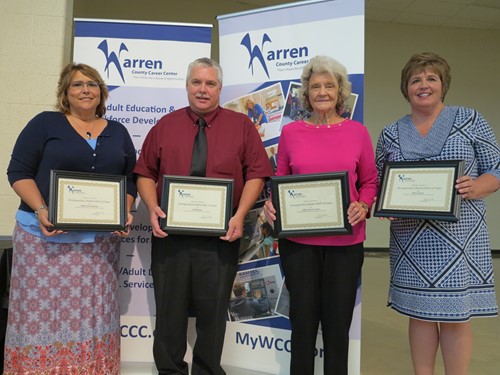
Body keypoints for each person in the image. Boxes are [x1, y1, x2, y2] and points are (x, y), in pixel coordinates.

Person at [134, 57, 273, 375]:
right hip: (172, 238)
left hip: (221, 237)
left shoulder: (241, 126)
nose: (202, 89)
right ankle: (170, 370)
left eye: (210, 83)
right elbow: (144, 172)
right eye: (196, 82)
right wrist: (153, 206)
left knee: (213, 313)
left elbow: (256, 174)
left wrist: (239, 215)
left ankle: (208, 370)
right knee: (170, 312)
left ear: (220, 88)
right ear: (187, 85)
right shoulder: (165, 126)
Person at [4, 62, 137, 374]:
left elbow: (129, 179)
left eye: (92, 84)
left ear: (101, 92)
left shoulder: (117, 132)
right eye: (77, 84)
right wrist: (41, 209)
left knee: (92, 313)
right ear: (65, 92)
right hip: (43, 240)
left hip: (97, 245)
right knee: (41, 314)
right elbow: (19, 173)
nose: (85, 90)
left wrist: (125, 212)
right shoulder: (45, 124)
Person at [375, 52, 499, 375]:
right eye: (416, 79)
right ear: (406, 89)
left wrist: (478, 187)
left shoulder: (470, 119)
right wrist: (383, 202)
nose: (424, 85)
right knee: (420, 314)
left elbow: (496, 167)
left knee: (456, 315)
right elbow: (377, 180)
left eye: (431, 78)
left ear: (443, 85)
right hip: (410, 241)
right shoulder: (390, 132)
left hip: (460, 240)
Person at [264, 55, 378, 375]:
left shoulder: (357, 132)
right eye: (315, 86)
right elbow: (280, 180)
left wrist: (364, 204)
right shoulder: (291, 133)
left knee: (337, 324)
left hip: (346, 242)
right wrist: (273, 204)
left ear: (340, 91)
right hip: (299, 242)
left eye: (329, 85)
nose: (322, 91)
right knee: (302, 321)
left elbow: (369, 180)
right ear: (307, 92)